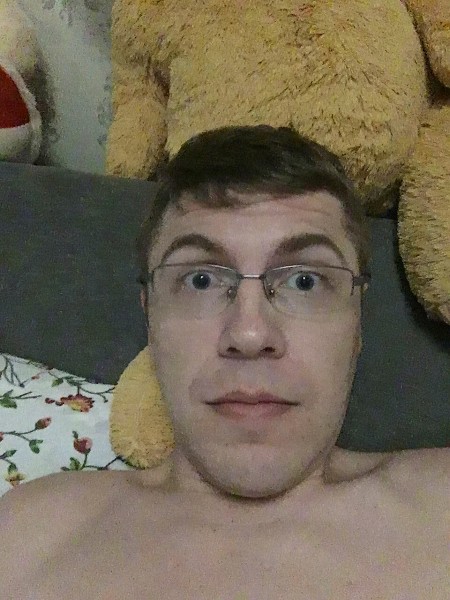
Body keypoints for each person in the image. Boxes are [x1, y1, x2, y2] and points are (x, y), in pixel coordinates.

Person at [1, 125, 448, 599]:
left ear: (357, 322)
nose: (250, 335)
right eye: (200, 280)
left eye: (305, 281)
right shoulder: (30, 534)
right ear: (150, 317)